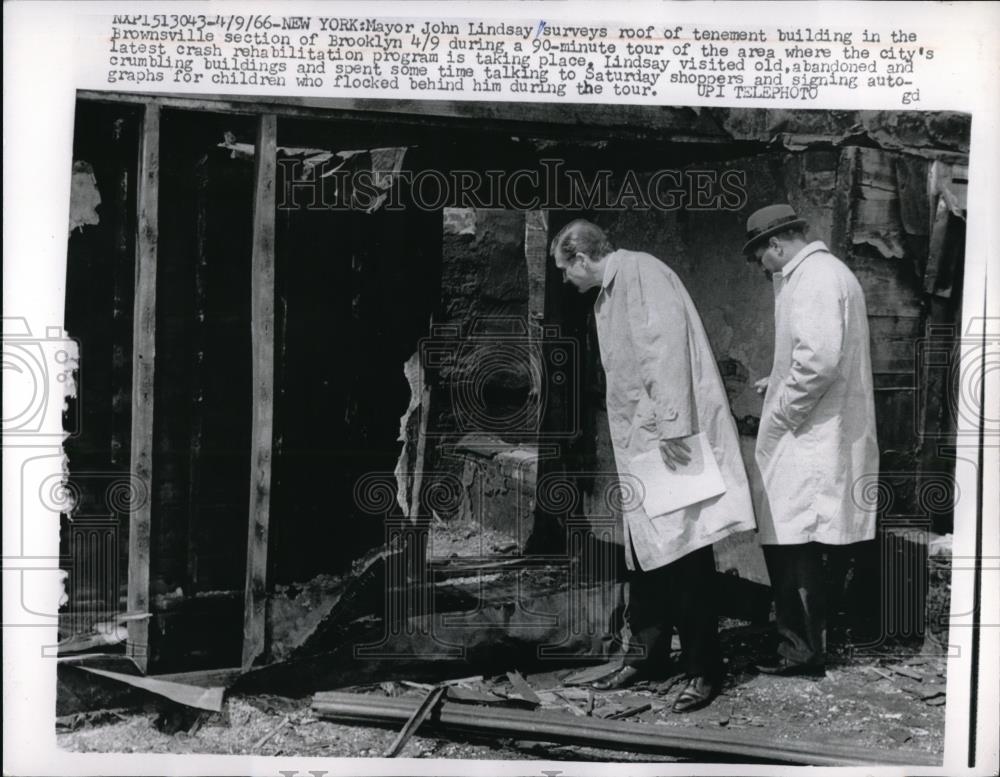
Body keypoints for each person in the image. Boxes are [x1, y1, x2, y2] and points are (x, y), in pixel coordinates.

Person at [550, 219, 756, 712]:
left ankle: (705, 670)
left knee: (685, 553)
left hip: (667, 438)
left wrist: (672, 426)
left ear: (581, 258)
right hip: (643, 441)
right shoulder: (608, 292)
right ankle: (647, 655)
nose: (565, 281)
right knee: (644, 552)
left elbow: (665, 354)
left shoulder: (642, 274)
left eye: (565, 269)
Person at [742, 204, 879, 677]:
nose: (761, 266)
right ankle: (801, 646)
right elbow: (813, 356)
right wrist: (777, 379)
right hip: (818, 431)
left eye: (759, 255)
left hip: (810, 437)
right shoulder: (823, 273)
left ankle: (800, 651)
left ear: (775, 245)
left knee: (793, 543)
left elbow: (818, 362)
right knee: (797, 540)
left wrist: (781, 410)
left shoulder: (815, 278)